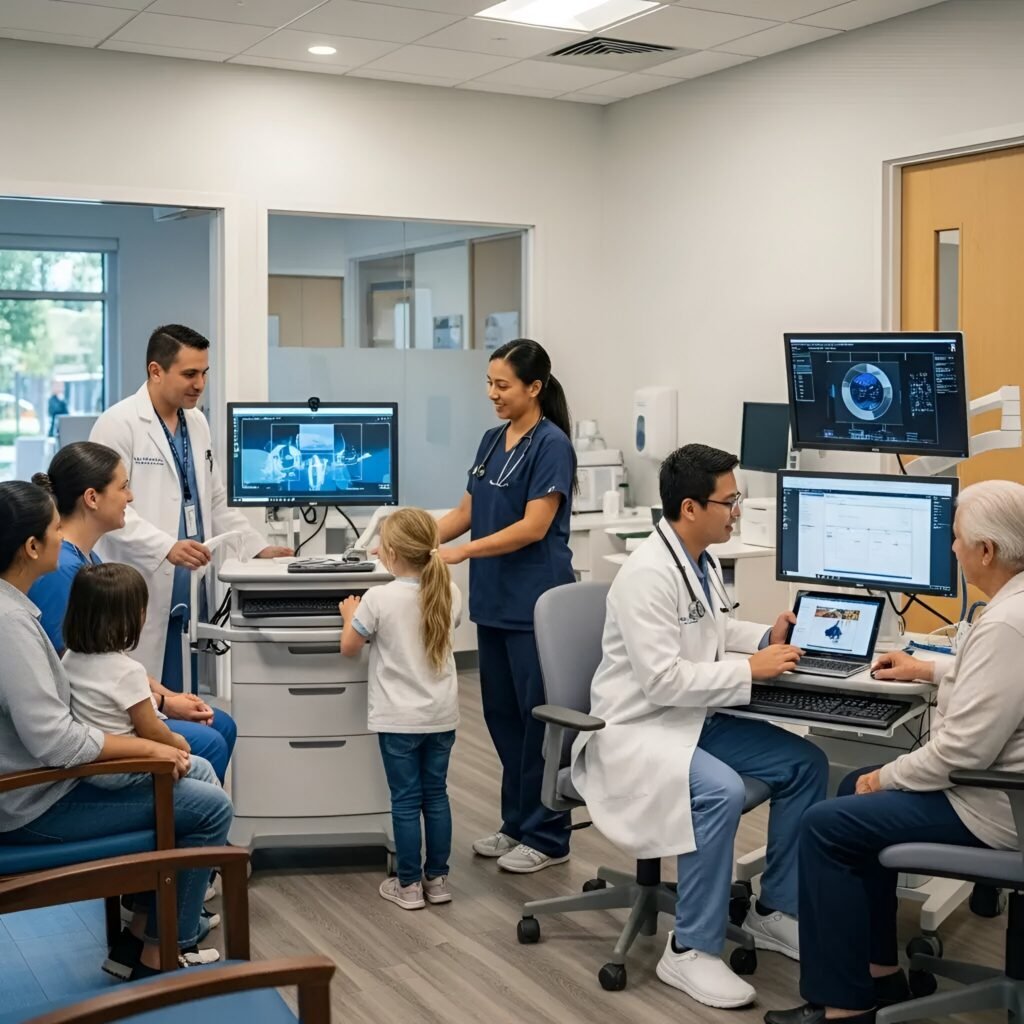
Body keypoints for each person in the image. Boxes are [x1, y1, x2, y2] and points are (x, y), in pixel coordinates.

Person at [571, 444, 829, 1010]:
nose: (737, 511)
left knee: (805, 764)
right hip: (637, 729)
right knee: (721, 791)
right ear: (690, 507)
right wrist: (750, 671)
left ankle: (774, 910)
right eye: (729, 501)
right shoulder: (647, 575)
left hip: (690, 719)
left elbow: (714, 629)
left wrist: (766, 638)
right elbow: (662, 681)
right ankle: (689, 948)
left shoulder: (700, 560)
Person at [765, 479, 1024, 1024]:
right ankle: (880, 973)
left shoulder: (1005, 624)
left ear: (986, 551)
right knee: (847, 786)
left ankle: (843, 1007)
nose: (951, 547)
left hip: (996, 808)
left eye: (957, 538)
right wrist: (929, 668)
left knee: (825, 825)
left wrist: (886, 777)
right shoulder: (1012, 609)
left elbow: (959, 755)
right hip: (1000, 793)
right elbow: (998, 681)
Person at [0, 480, 231, 980]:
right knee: (212, 807)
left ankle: (141, 936)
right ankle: (165, 952)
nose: (63, 538)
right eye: (55, 529)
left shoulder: (16, 611)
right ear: (32, 547)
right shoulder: (10, 625)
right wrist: (148, 750)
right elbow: (57, 741)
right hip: (32, 804)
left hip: (37, 787)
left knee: (195, 775)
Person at [436, 339, 576, 874]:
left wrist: (462, 552)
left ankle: (548, 835)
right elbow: (466, 512)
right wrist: (413, 540)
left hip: (537, 604)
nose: (492, 394)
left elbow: (534, 526)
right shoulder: (492, 440)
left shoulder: (552, 445)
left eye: (503, 385)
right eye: (489, 383)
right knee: (501, 717)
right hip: (494, 601)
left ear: (534, 387)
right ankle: (516, 823)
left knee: (538, 721)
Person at [90, 324, 292, 689]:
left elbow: (213, 500)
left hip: (190, 579)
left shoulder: (196, 422)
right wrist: (166, 546)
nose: (200, 384)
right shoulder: (118, 424)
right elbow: (108, 509)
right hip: (142, 576)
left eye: (204, 373)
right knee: (142, 686)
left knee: (185, 681)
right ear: (156, 371)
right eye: (189, 374)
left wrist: (256, 546)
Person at [28, 442, 238, 784]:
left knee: (221, 723)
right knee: (211, 740)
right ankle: (182, 812)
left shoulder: (87, 559)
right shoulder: (62, 570)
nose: (131, 497)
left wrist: (168, 696)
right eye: (123, 487)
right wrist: (162, 703)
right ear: (92, 498)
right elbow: (79, 676)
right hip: (93, 725)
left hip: (115, 703)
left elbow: (109, 657)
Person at [339, 508, 461, 911]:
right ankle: (437, 881)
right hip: (441, 716)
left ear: (389, 553)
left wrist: (349, 615)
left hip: (398, 720)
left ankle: (408, 885)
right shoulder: (449, 591)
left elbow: (349, 647)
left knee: (406, 800)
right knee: (436, 796)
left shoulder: (378, 598)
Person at [62, 562, 214, 791]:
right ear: (132, 617)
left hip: (91, 766)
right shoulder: (127, 670)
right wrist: (178, 742)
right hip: (124, 767)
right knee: (203, 769)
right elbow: (151, 730)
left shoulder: (70, 658)